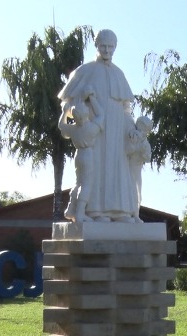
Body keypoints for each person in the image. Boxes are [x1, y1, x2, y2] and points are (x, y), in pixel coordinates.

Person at [58, 29, 138, 223]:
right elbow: (68, 109)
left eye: (111, 47)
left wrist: (132, 130)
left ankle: (119, 212)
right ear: (96, 46)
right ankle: (94, 212)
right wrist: (73, 124)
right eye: (103, 46)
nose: (107, 50)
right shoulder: (84, 71)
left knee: (117, 170)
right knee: (94, 174)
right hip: (94, 136)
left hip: (117, 135)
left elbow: (126, 110)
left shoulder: (119, 74)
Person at [58, 88, 103, 222]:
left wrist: (66, 110)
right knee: (86, 184)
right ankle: (80, 213)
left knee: (78, 182)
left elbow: (62, 126)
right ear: (85, 115)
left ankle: (71, 209)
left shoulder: (73, 129)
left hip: (78, 155)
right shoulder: (90, 128)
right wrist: (93, 99)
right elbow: (101, 115)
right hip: (88, 155)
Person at [125, 115, 153, 223]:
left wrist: (143, 151)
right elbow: (128, 150)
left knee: (137, 193)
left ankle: (135, 214)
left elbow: (148, 157)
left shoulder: (145, 142)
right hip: (129, 167)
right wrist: (136, 146)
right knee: (130, 191)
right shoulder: (133, 135)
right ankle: (129, 214)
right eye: (144, 128)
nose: (145, 131)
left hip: (137, 169)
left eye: (147, 130)